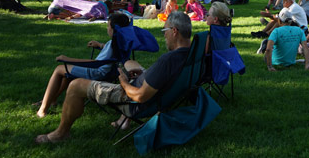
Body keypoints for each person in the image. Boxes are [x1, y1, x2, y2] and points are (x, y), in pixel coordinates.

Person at [35, 12, 192, 144]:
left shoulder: (168, 60)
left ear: (175, 31)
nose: (164, 33)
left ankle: (61, 133)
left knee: (75, 85)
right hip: (153, 95)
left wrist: (123, 82)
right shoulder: (190, 55)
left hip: (133, 101)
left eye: (165, 29)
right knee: (131, 65)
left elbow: (140, 96)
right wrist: (142, 75)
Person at [35, 13, 131, 118]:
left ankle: (42, 110)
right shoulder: (121, 41)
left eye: (108, 26)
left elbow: (95, 63)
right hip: (109, 73)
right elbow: (110, 52)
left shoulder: (113, 43)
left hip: (97, 72)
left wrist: (68, 59)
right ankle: (52, 99)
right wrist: (100, 45)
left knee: (59, 69)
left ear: (114, 29)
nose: (107, 29)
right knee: (67, 74)